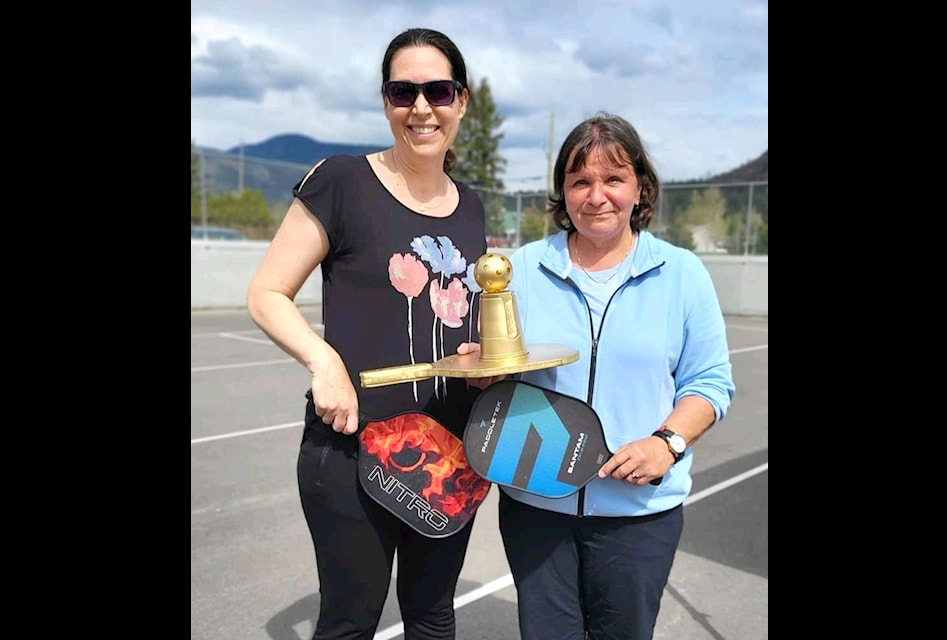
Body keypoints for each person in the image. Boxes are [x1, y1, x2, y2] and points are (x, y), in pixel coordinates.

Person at [247, 27, 489, 640]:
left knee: (433, 617)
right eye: (403, 91)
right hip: (353, 449)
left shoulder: (472, 206)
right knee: (350, 622)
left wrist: (478, 355)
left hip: (446, 453)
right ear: (386, 101)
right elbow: (267, 293)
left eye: (438, 90)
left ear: (461, 101)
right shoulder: (343, 181)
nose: (421, 107)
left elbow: (462, 317)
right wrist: (322, 360)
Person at [489, 112, 736, 640]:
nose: (596, 195)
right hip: (537, 508)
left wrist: (665, 444)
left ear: (639, 187)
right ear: (562, 191)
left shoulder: (682, 273)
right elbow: (498, 373)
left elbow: (711, 382)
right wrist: (482, 370)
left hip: (639, 511)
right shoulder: (524, 270)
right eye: (580, 181)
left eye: (613, 179)